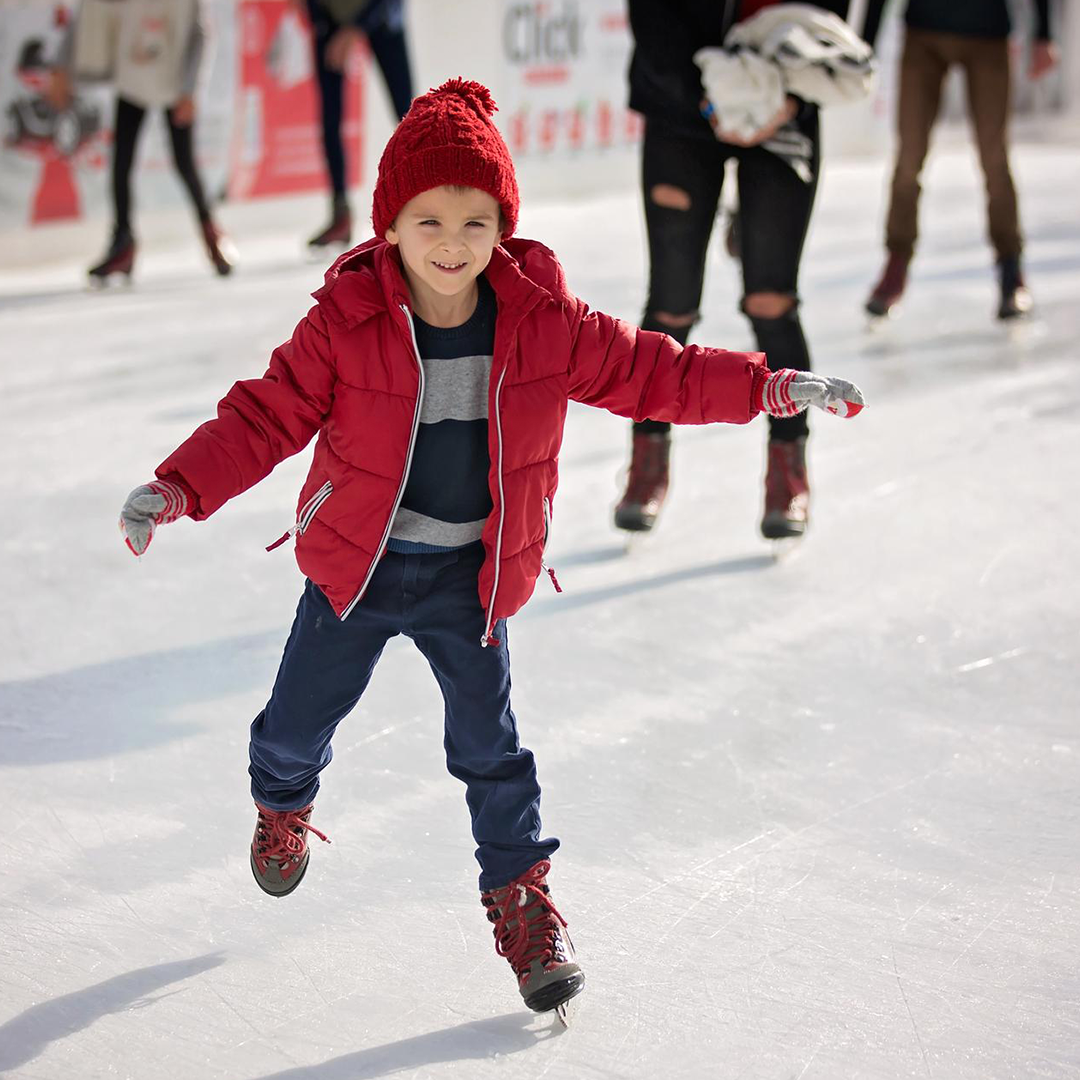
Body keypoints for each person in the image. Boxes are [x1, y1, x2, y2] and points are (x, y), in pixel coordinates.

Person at [116, 79, 864, 1016]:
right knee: (291, 730)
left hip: (472, 578)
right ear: (390, 224)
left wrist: (772, 388)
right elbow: (264, 415)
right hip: (360, 569)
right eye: (428, 217)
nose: (452, 242)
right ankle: (281, 808)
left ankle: (523, 901)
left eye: (476, 220)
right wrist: (177, 485)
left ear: (502, 225)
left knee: (492, 752)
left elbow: (653, 371)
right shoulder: (344, 323)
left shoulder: (542, 319)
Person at [616, 0, 869, 540]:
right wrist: (706, 105)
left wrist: (791, 100)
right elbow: (653, 16)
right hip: (679, 112)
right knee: (671, 303)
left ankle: (787, 474)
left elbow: (832, 22)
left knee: (771, 300)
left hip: (784, 110)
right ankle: (647, 463)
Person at [862, 0, 1058, 321]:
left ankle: (1011, 271)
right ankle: (894, 266)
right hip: (923, 32)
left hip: (988, 33)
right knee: (909, 156)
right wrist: (865, 42)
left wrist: (1044, 36)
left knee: (994, 157)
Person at [49, 0, 236, 283]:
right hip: (134, 76)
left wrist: (191, 90)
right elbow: (89, 14)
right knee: (121, 161)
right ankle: (122, 241)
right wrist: (61, 68)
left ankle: (211, 231)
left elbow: (201, 34)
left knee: (184, 161)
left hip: (174, 80)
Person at [297, 0, 414, 251]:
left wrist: (356, 28)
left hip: (381, 13)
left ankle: (422, 201)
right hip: (331, 18)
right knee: (330, 119)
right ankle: (341, 214)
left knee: (408, 118)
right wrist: (320, 18)